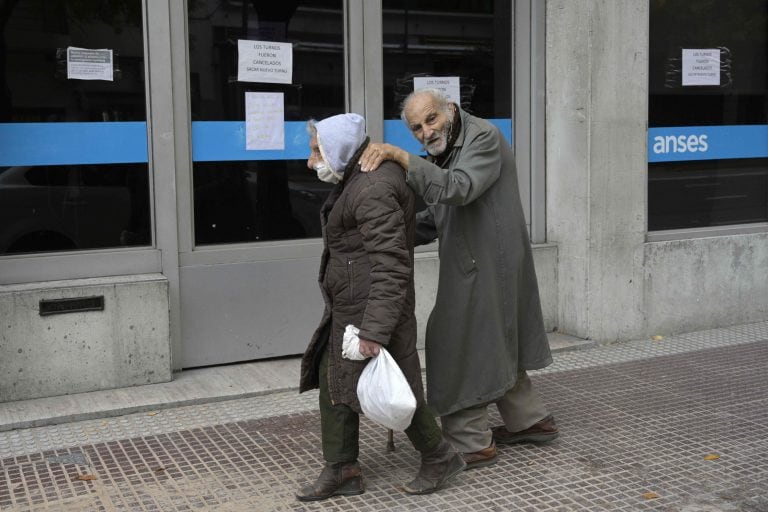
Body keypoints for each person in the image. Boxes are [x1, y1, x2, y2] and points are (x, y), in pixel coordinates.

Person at [358, 89, 559, 470]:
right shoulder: (447, 147)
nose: (425, 131)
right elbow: (439, 214)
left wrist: (401, 158)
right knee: (494, 337)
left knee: (455, 340)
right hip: (475, 258)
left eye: (431, 119)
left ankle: (470, 441)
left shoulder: (483, 136)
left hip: (489, 260)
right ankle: (530, 420)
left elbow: (458, 188)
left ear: (450, 109)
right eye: (415, 128)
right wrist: (387, 238)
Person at [296, 113, 465, 502]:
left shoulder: (370, 187)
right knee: (339, 378)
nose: (310, 161)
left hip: (371, 308)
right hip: (357, 304)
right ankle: (344, 467)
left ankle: (436, 456)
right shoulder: (359, 178)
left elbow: (391, 264)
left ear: (339, 149)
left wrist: (374, 330)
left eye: (316, 151)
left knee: (393, 388)